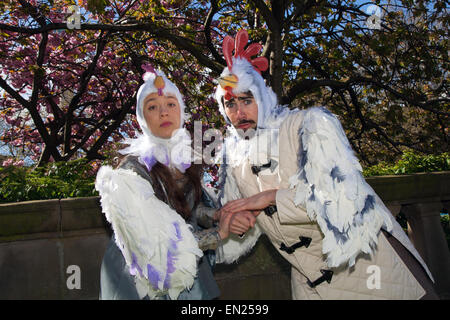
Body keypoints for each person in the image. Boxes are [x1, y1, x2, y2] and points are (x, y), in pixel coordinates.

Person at [213, 29, 439, 299]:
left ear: (262, 98)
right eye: (230, 104)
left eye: (247, 100)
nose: (239, 113)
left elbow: (341, 199)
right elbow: (242, 219)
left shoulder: (310, 126)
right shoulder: (234, 159)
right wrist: (238, 222)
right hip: (312, 286)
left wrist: (272, 197)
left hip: (370, 268)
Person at [95, 66, 233, 300]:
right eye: (152, 107)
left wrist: (217, 215)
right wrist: (219, 234)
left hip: (186, 270)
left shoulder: (184, 160)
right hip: (143, 280)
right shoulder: (130, 173)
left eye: (171, 104)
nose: (163, 113)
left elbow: (188, 209)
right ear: (141, 118)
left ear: (181, 110)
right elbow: (157, 243)